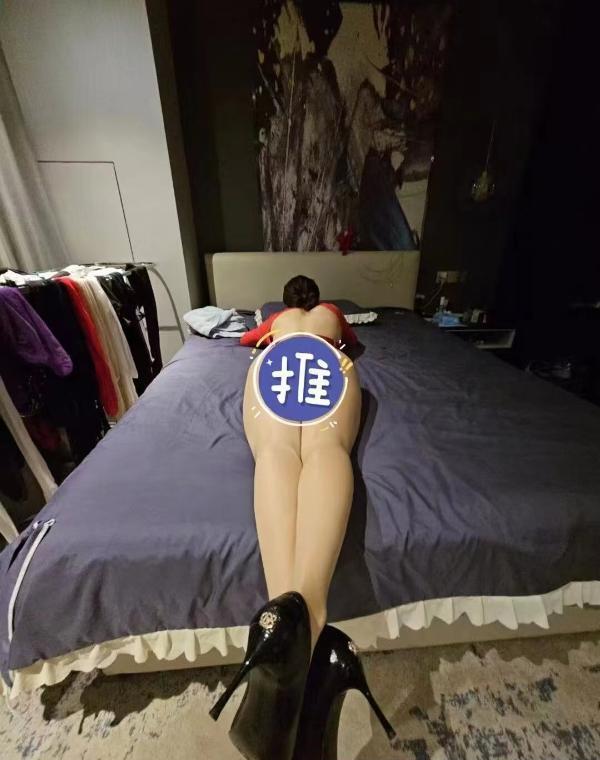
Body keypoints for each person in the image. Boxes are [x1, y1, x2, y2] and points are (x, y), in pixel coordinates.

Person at [210, 276, 396, 760]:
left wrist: (263, 327)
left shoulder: (275, 321)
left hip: (275, 361)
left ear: (285, 302)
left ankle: (282, 622)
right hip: (328, 362)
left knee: (276, 451)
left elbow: (245, 340)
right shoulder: (333, 317)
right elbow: (355, 342)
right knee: (326, 449)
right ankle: (308, 615)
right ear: (318, 299)